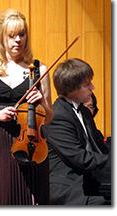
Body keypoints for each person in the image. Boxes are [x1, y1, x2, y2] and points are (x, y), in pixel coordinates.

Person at [0, 9, 53, 205]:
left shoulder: (39, 69)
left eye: (22, 34)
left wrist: (41, 103)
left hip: (31, 144)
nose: (18, 40)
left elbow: (49, 117)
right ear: (0, 37)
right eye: (11, 36)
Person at [44, 58, 109, 205]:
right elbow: (79, 158)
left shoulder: (84, 112)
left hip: (89, 181)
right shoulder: (57, 115)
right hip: (69, 187)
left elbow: (101, 147)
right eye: (87, 85)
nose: (92, 87)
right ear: (72, 89)